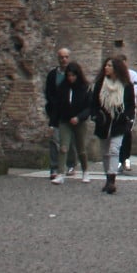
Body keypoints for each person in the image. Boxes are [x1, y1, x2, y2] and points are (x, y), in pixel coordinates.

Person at [43, 47, 89, 184]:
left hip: (79, 120)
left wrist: (79, 117)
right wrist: (52, 122)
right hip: (63, 119)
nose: (70, 78)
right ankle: (59, 172)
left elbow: (88, 107)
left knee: (80, 148)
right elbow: (55, 103)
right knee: (62, 146)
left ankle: (84, 170)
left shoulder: (84, 88)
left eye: (73, 75)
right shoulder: (60, 85)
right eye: (69, 76)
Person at [90, 55, 135, 195]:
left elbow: (130, 105)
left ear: (116, 69)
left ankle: (111, 180)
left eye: (109, 66)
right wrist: (96, 115)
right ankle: (107, 178)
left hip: (119, 122)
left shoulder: (126, 86)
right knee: (105, 153)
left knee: (114, 150)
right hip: (104, 122)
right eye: (106, 65)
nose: (106, 68)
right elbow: (94, 103)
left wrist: (127, 117)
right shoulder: (100, 84)